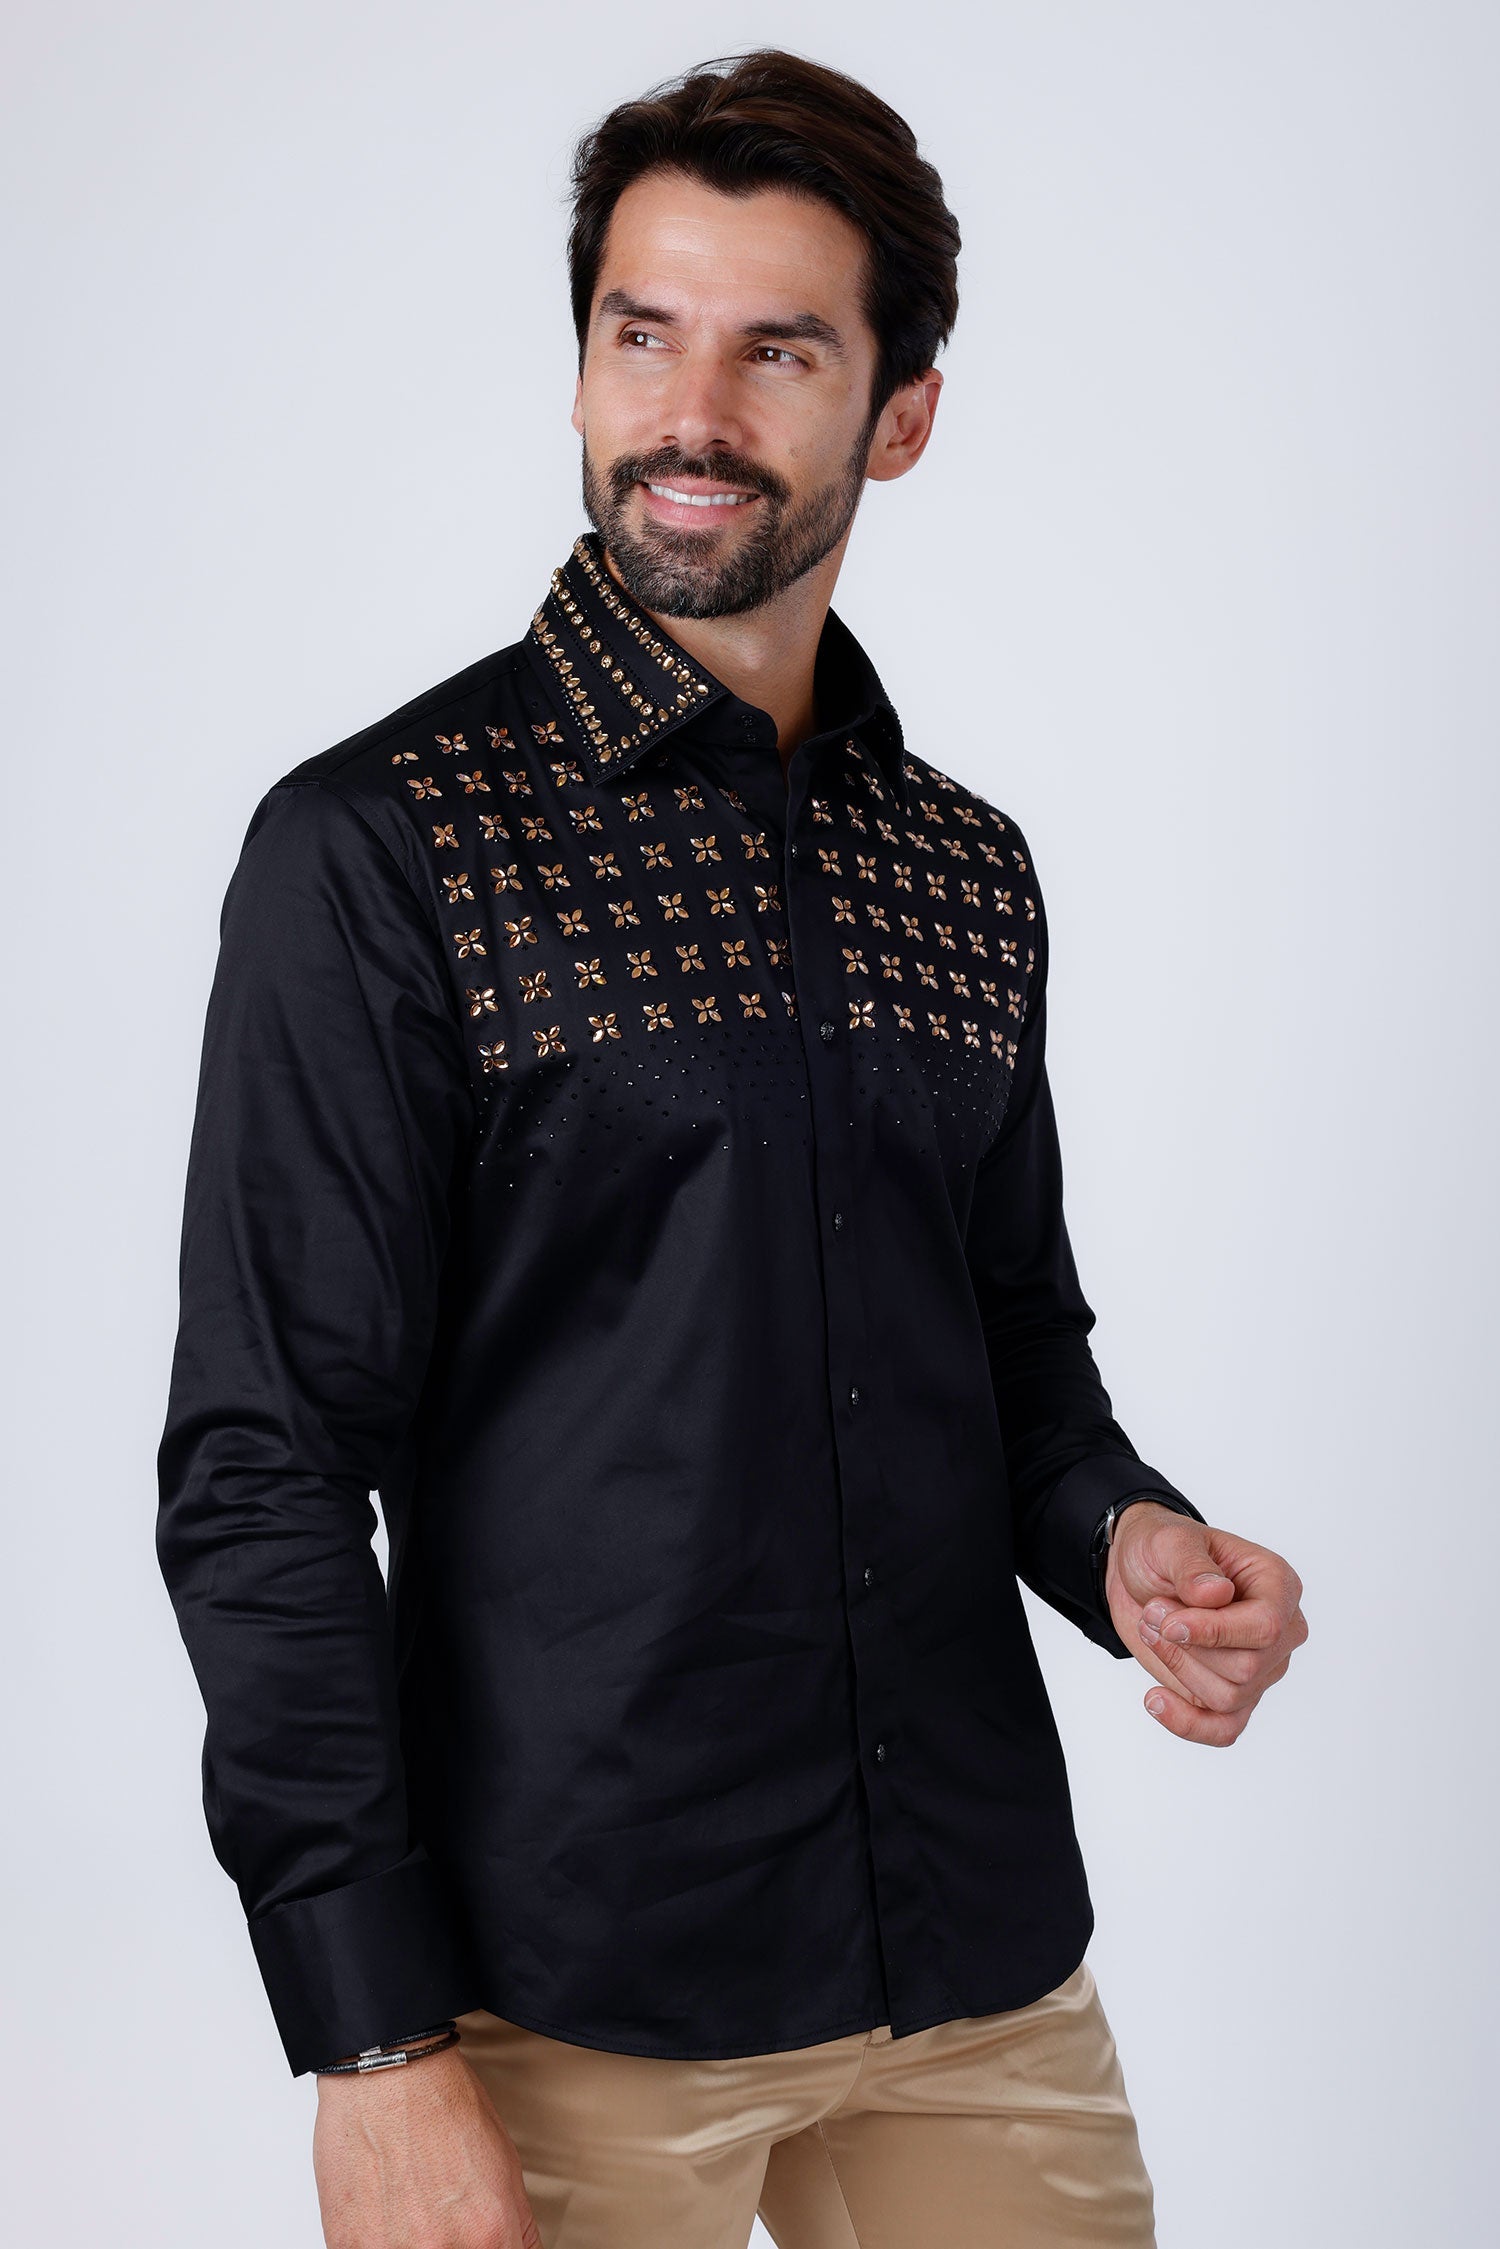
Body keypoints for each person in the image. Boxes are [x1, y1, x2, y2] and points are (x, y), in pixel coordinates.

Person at [155, 47, 1307, 2249]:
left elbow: (1007, 1344)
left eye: (776, 349)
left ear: (902, 414)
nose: (688, 413)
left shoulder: (962, 868)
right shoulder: (385, 851)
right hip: (566, 1991)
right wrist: (369, 2041)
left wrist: (1125, 1537)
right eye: (641, 334)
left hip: (972, 1962)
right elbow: (265, 1468)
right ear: (582, 363)